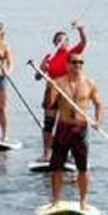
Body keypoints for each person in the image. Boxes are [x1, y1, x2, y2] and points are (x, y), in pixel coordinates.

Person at [47, 54, 103, 210]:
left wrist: (98, 121)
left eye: (81, 62)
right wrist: (50, 89)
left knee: (82, 168)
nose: (78, 65)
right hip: (63, 127)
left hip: (80, 128)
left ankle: (83, 201)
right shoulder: (59, 83)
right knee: (56, 167)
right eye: (74, 62)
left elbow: (99, 104)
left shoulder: (89, 83)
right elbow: (49, 105)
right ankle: (56, 200)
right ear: (67, 65)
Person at [37, 21, 88, 161]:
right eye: (59, 40)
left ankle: (71, 155)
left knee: (69, 124)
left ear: (67, 42)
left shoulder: (72, 54)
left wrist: (81, 29)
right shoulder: (49, 57)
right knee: (49, 123)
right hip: (51, 91)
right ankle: (46, 154)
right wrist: (43, 67)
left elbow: (83, 42)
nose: (62, 42)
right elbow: (37, 77)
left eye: (64, 40)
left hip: (68, 91)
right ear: (55, 42)